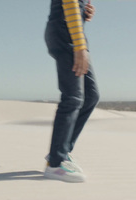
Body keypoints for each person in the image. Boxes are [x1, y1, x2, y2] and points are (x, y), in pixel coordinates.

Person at [43, 0, 99, 182]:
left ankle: (61, 152)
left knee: (91, 96)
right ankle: (56, 164)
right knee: (73, 97)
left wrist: (85, 12)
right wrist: (80, 46)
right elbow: (69, 3)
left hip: (73, 32)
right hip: (66, 33)